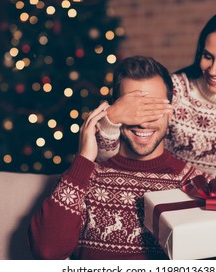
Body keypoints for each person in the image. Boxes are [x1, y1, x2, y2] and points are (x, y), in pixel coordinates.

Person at [28, 56, 206, 260]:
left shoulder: (192, 184)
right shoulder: (84, 176)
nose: (143, 123)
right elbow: (46, 252)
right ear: (115, 110)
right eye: (133, 110)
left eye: (152, 109)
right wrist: (85, 157)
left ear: (171, 111)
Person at [95, 8, 216, 182]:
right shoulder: (177, 89)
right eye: (208, 56)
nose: (213, 70)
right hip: (171, 189)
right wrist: (110, 121)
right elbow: (115, 153)